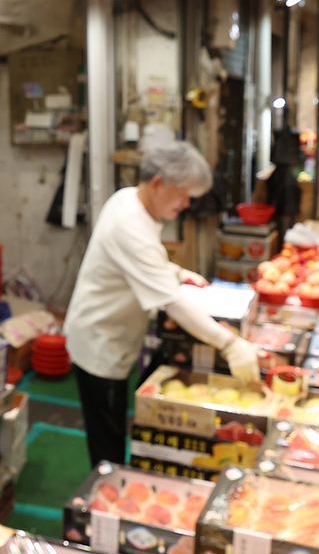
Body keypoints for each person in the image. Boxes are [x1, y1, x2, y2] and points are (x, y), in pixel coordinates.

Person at [64, 143, 260, 466]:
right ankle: (106, 486)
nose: (187, 204)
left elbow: (139, 263)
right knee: (107, 434)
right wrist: (230, 344)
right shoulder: (129, 224)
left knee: (111, 422)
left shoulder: (128, 199)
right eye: (184, 195)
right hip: (100, 343)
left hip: (109, 331)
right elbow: (173, 303)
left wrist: (177, 272)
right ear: (158, 184)